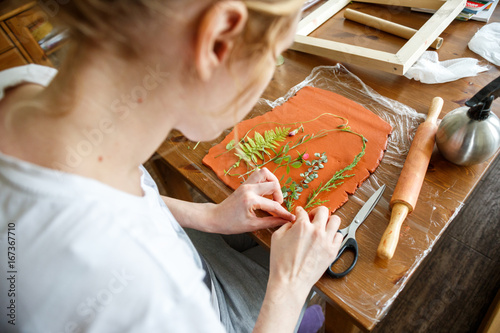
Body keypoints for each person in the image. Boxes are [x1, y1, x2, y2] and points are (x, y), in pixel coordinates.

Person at [0, 0, 343, 332]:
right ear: (218, 40)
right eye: (273, 53)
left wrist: (208, 216)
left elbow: (107, 202)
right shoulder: (150, 291)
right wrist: (290, 287)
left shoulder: (25, 84)